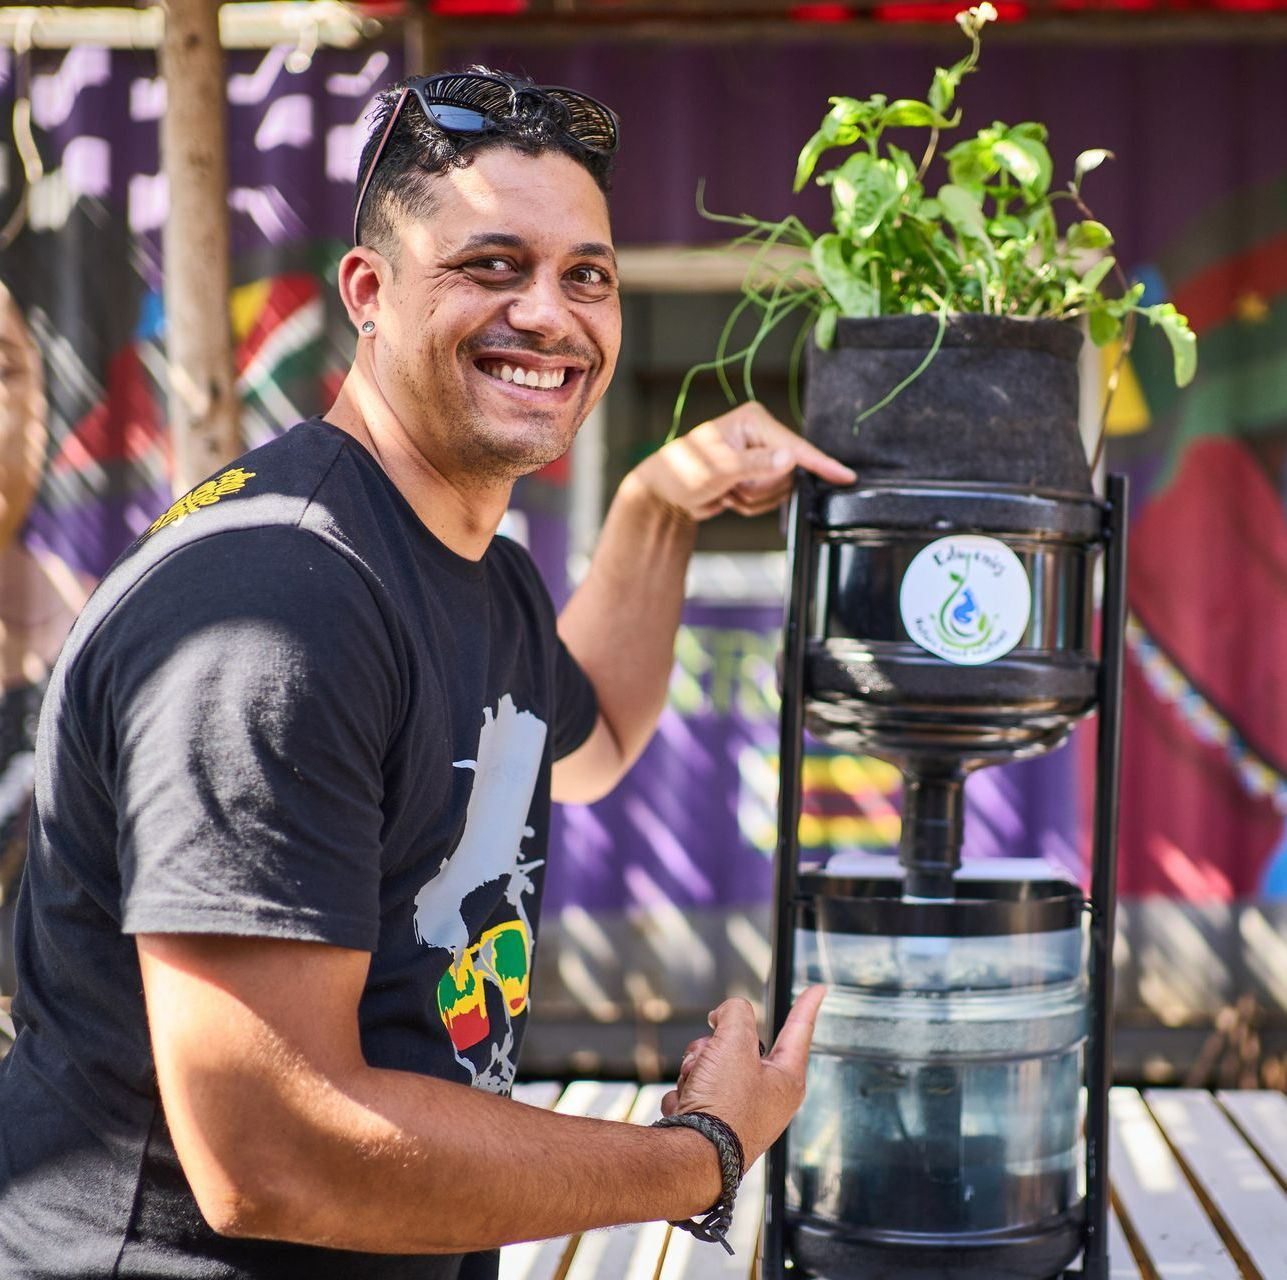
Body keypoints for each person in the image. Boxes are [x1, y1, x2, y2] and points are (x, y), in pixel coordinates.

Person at [0, 69, 855, 1279]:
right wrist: (699, 1152)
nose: (552, 314)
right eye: (492, 265)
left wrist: (660, 501)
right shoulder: (275, 613)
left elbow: (597, 731)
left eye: (587, 275)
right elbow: (268, 1151)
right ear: (369, 290)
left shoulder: (474, 567)